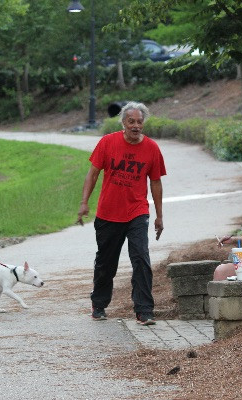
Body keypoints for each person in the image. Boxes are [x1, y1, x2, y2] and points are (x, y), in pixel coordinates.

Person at [77, 101, 166, 326]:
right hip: (108, 213)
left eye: (139, 122)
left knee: (141, 259)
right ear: (123, 123)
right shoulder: (107, 142)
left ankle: (144, 310)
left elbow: (155, 182)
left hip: (137, 211)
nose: (136, 126)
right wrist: (84, 203)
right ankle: (99, 304)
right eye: (131, 121)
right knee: (106, 263)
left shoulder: (152, 148)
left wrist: (159, 215)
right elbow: (93, 174)